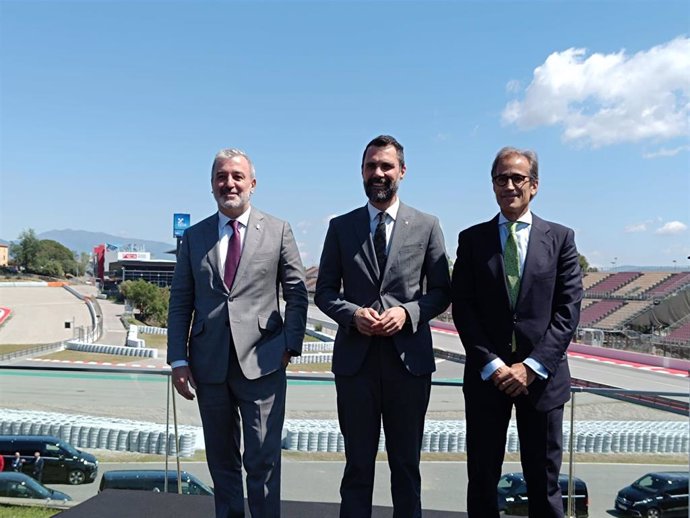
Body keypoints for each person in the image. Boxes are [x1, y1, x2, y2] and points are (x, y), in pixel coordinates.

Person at [315, 135, 451, 518]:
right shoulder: (341, 227)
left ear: (402, 172)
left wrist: (408, 313)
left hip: (408, 365)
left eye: (386, 166)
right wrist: (352, 314)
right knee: (357, 466)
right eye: (372, 166)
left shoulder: (426, 226)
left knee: (406, 467)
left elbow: (441, 291)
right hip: (355, 366)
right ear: (361, 171)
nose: (379, 173)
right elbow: (324, 292)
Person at [167, 148, 308, 518]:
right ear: (212, 184)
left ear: (253, 184)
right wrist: (178, 360)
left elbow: (296, 293)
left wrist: (290, 345)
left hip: (263, 364)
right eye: (221, 177)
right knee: (221, 461)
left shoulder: (278, 230)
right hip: (208, 366)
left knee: (263, 459)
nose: (229, 183)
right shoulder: (195, 237)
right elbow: (181, 300)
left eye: (237, 176)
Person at [451, 146, 583, 518]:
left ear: (534, 186)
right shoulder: (472, 240)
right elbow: (463, 307)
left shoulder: (560, 239)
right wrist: (491, 364)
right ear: (492, 185)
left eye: (517, 178)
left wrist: (532, 365)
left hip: (542, 382)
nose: (509, 185)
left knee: (544, 484)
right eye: (501, 178)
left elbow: (567, 311)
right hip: (487, 380)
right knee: (481, 480)